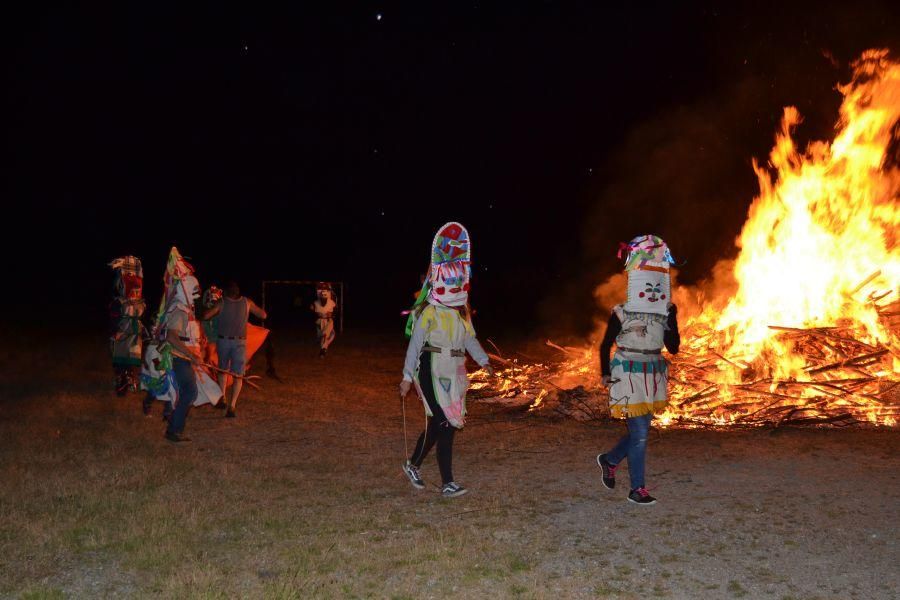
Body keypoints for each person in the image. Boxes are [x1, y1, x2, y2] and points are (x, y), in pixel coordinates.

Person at [399, 222, 492, 498]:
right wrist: (406, 378)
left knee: (440, 423)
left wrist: (484, 361)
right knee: (444, 424)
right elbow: (415, 345)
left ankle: (413, 464)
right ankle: (448, 482)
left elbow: (468, 339)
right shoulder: (428, 313)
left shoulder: (460, 314)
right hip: (429, 368)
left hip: (453, 370)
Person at [596, 235, 680, 505]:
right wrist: (606, 374)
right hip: (628, 374)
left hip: (653, 374)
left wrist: (673, 320)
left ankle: (609, 461)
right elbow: (605, 345)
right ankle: (637, 489)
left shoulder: (663, 312)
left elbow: (674, 347)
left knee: (638, 432)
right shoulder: (621, 312)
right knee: (641, 433)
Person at [141, 247, 222, 442]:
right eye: (194, 290)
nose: (196, 294)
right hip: (179, 358)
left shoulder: (185, 310)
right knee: (189, 392)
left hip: (186, 357)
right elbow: (171, 337)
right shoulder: (179, 311)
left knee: (187, 392)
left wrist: (198, 350)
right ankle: (173, 430)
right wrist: (191, 354)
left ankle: (173, 427)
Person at [203, 280, 267, 417]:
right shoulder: (247, 302)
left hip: (224, 341)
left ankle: (223, 399)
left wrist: (210, 306)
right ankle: (232, 406)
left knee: (222, 371)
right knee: (238, 375)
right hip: (239, 343)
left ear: (225, 292)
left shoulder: (222, 302)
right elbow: (263, 315)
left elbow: (206, 316)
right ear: (238, 292)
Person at [109, 256, 146, 396]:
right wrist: (115, 331)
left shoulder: (139, 303)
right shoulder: (119, 303)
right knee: (120, 358)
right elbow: (114, 318)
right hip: (122, 330)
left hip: (134, 332)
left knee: (132, 357)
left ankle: (130, 379)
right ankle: (121, 381)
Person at [310, 282, 337, 357]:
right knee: (321, 337)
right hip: (319, 322)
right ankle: (323, 349)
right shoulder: (315, 303)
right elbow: (312, 313)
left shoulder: (332, 303)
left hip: (329, 321)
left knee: (325, 335)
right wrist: (316, 314)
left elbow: (335, 311)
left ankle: (323, 351)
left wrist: (332, 314)